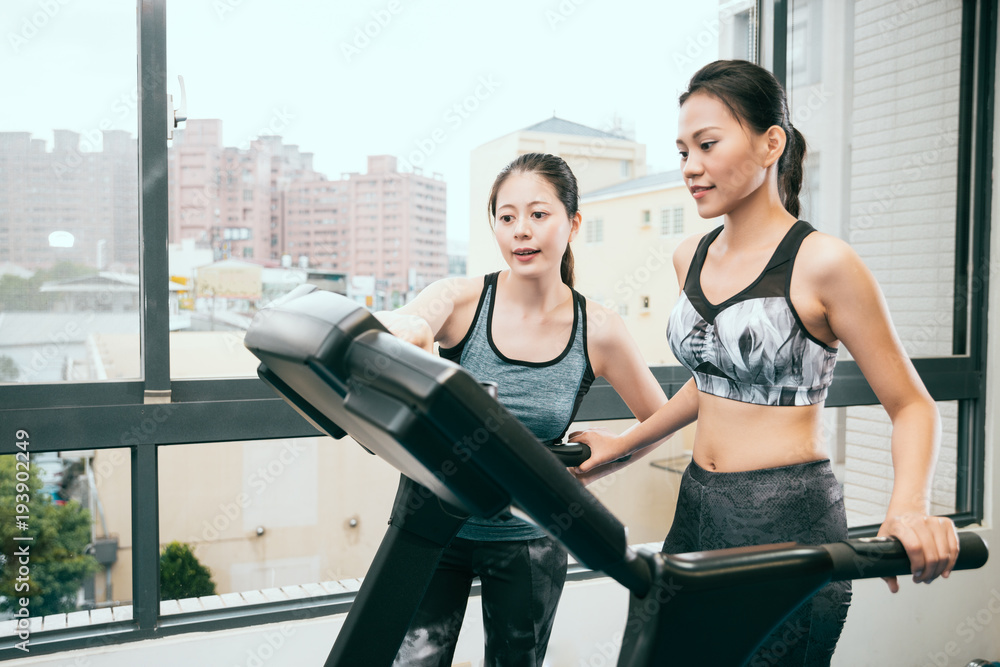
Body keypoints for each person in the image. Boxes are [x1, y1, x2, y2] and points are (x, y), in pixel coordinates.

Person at [570, 60, 960, 666]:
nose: (690, 167)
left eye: (707, 145)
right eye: (681, 151)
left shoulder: (825, 263)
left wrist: (907, 507)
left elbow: (911, 406)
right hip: (696, 510)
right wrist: (621, 445)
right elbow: (713, 384)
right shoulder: (688, 256)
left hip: (788, 519)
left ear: (770, 142)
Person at [376, 152, 667, 667]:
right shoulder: (459, 300)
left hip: (530, 539)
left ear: (573, 223)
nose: (520, 231)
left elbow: (659, 420)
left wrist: (606, 461)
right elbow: (412, 324)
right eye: (506, 217)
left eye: (538, 214)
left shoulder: (597, 329)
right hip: (433, 525)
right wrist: (412, 331)